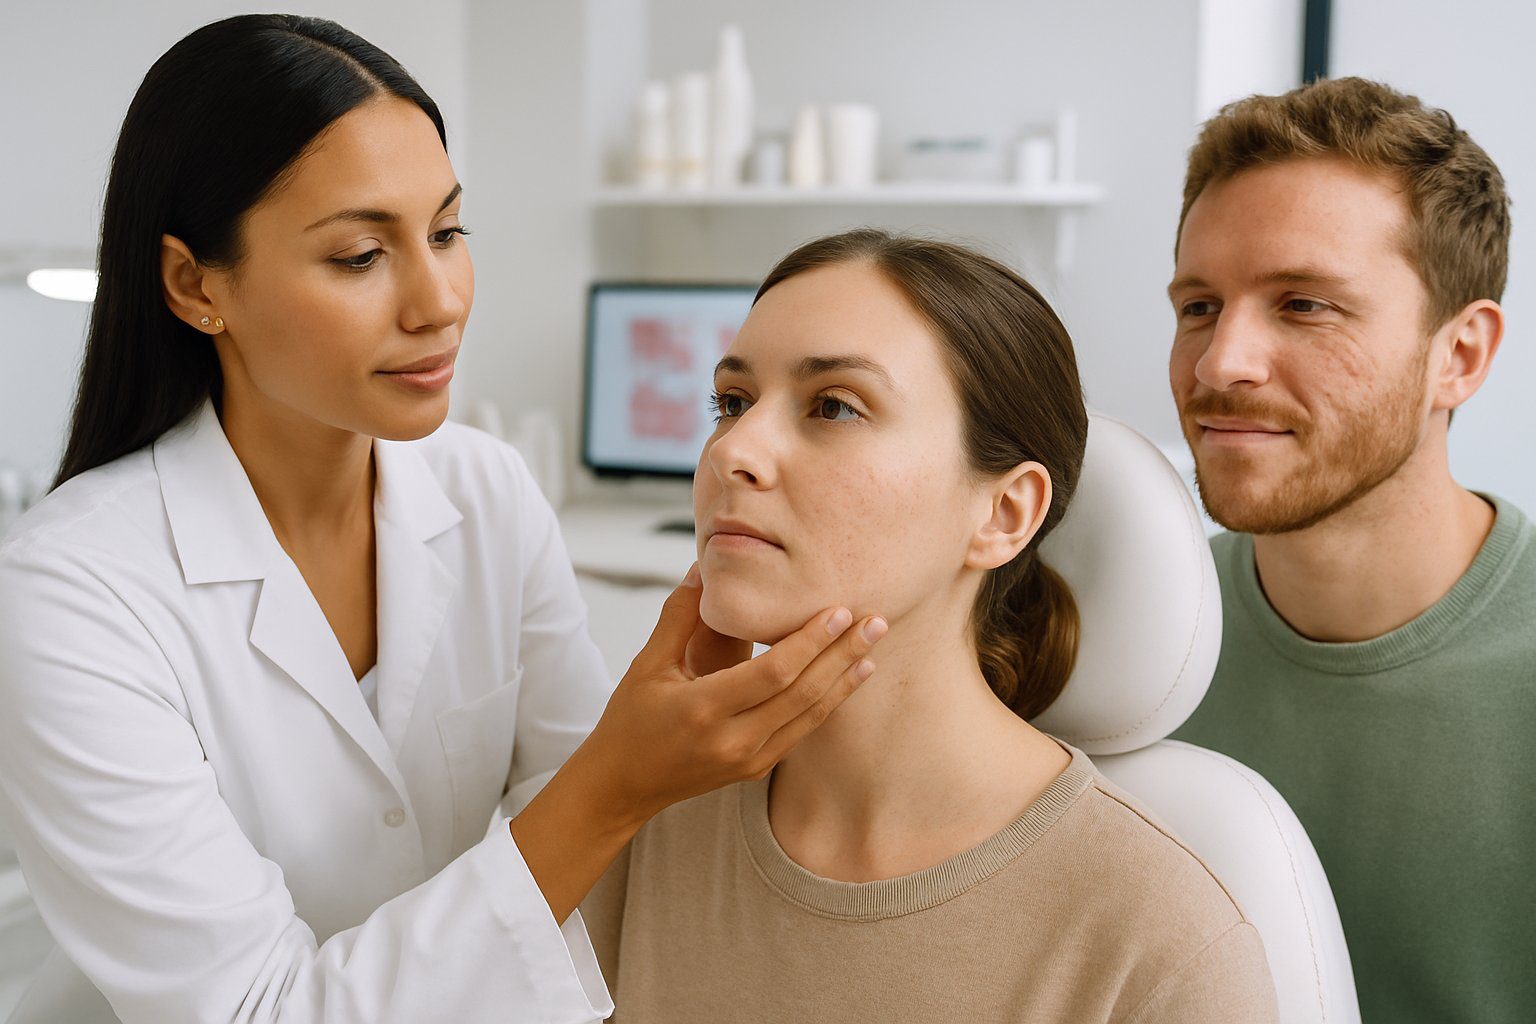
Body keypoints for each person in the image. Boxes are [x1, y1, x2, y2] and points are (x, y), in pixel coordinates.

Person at [0, 16, 886, 1023]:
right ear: (195, 285)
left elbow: (583, 841)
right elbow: (258, 1010)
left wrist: (656, 769)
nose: (439, 300)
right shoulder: (71, 591)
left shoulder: (485, 491)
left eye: (449, 231)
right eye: (359, 256)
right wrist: (617, 781)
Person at [581, 229, 1280, 1022]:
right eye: (732, 403)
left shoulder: (1161, 939)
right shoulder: (639, 830)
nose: (734, 450)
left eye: (834, 406)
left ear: (1003, 513)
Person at [1166, 77, 1535, 1021]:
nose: (1219, 364)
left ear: (1460, 356)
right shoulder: (1119, 650)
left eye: (1304, 305)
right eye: (1199, 306)